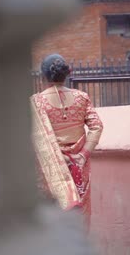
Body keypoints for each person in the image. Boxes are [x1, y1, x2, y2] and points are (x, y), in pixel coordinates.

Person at [31, 54, 103, 216]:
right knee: (79, 207)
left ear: (43, 75)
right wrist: (83, 155)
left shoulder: (37, 102)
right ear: (66, 74)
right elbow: (97, 127)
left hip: (50, 168)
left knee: (52, 209)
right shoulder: (81, 98)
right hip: (79, 164)